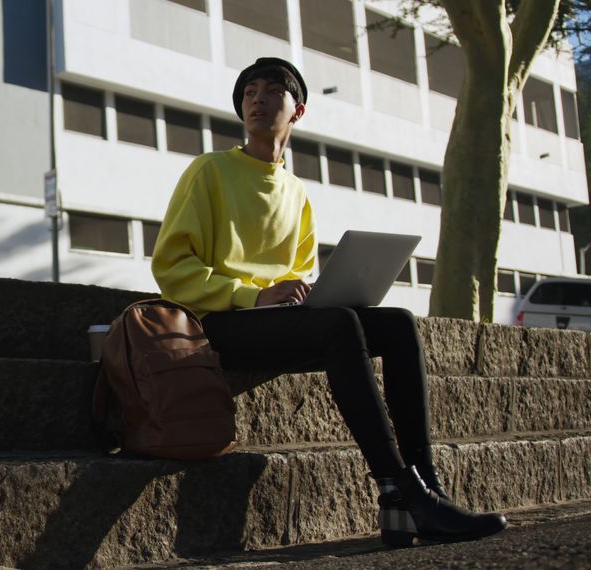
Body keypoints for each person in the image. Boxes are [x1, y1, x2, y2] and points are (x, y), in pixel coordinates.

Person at [150, 57, 507, 547]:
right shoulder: (208, 171)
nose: (257, 99)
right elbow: (171, 267)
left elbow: (297, 273)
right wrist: (253, 294)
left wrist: (305, 293)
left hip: (281, 322)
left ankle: (426, 484)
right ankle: (395, 487)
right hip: (218, 321)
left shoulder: (296, 192)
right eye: (249, 92)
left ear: (297, 111)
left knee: (398, 323)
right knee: (339, 325)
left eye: (271, 91)